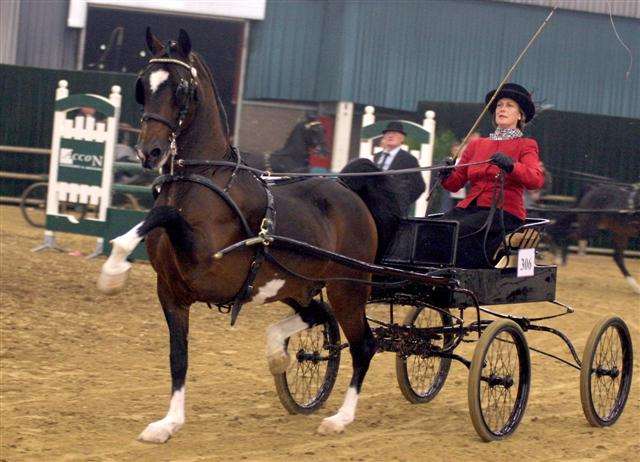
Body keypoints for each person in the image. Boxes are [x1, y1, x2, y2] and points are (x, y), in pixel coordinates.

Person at [438, 83, 544, 268]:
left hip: (504, 213)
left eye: (509, 105)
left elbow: (535, 180)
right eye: (499, 105)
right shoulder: (477, 144)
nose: (502, 109)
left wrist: (512, 166)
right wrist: (446, 174)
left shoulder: (526, 144)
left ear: (520, 115)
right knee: (435, 228)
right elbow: (455, 184)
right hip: (471, 209)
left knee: (460, 230)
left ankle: (457, 276)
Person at [374, 121, 426, 216]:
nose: (390, 136)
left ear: (402, 138)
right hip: (375, 206)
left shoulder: (409, 159)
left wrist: (403, 202)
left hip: (395, 210)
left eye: (394, 133)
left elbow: (419, 186)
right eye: (387, 133)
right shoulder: (377, 156)